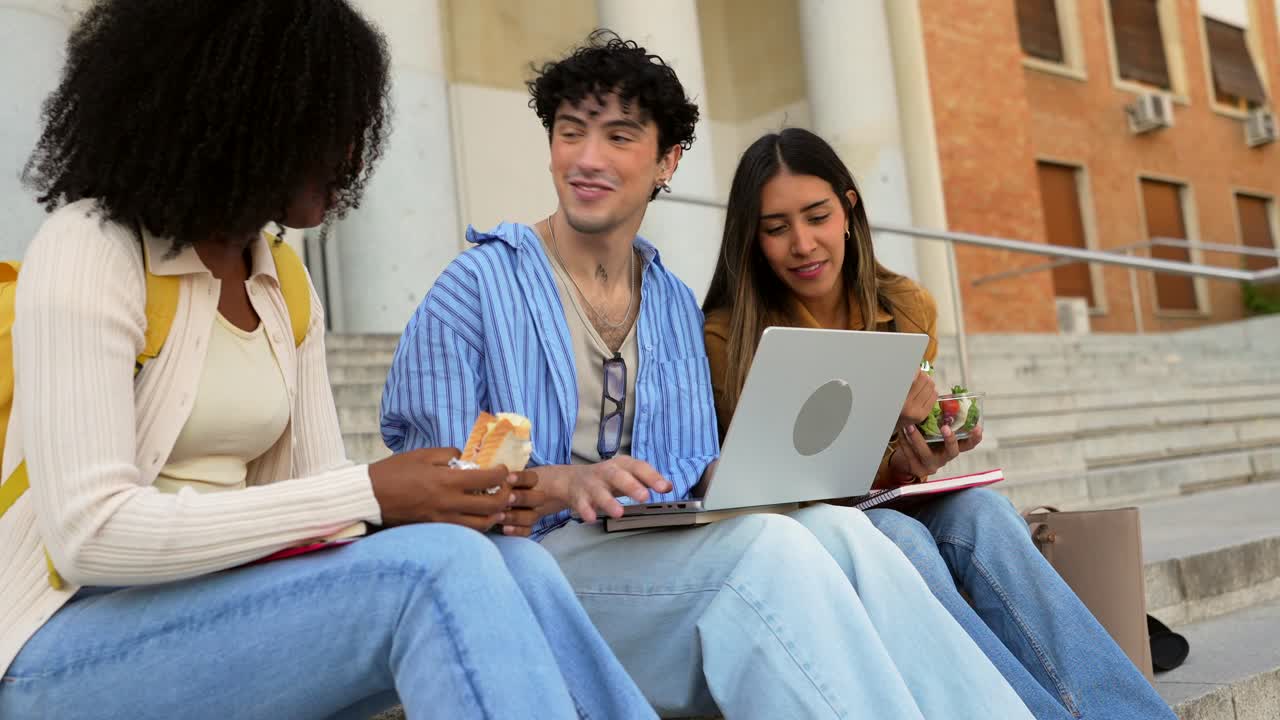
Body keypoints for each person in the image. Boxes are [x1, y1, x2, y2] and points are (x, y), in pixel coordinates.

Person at [0, 3, 655, 719]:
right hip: (61, 653)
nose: (352, 156)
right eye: (329, 126)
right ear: (243, 118)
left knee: (515, 562)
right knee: (437, 572)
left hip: (232, 606)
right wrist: (372, 493)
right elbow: (90, 535)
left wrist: (448, 500)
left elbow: (315, 497)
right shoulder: (89, 249)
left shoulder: (281, 279)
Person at [382, 30, 1034, 720]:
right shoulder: (474, 287)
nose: (587, 158)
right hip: (529, 570)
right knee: (771, 553)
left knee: (844, 535)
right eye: (570, 133)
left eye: (619, 138)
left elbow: (693, 471)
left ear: (668, 160)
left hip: (645, 551)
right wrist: (560, 482)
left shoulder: (665, 298)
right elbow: (433, 492)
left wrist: (769, 464)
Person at [701, 127, 1178, 720]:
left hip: (881, 502)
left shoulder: (906, 307)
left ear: (849, 209)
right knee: (903, 545)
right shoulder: (727, 337)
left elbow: (893, 472)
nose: (802, 243)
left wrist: (921, 452)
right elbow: (765, 481)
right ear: (753, 239)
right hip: (801, 528)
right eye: (776, 228)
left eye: (817, 216)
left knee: (985, 513)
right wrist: (880, 425)